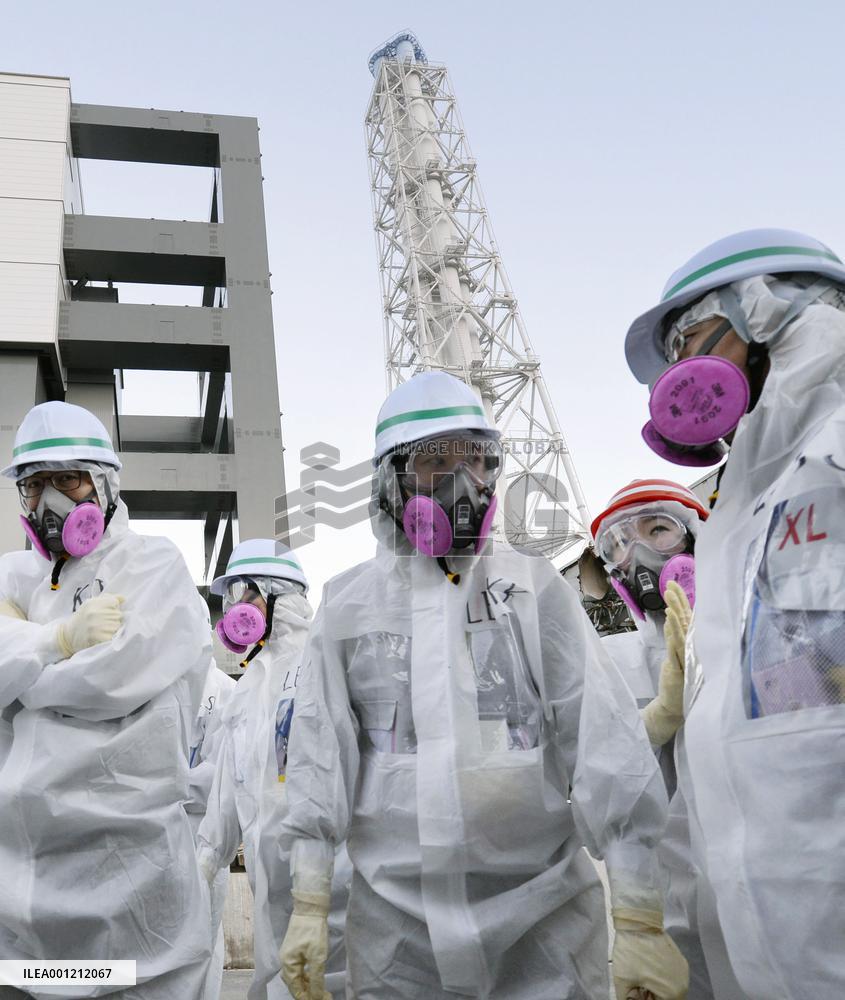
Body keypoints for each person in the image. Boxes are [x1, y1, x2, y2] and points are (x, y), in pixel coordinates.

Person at [278, 370, 688, 1000]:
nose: (463, 484)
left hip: (541, 926)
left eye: (476, 461)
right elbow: (318, 755)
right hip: (397, 934)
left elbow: (604, 744)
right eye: (436, 464)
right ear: (391, 482)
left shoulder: (532, 590)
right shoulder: (349, 606)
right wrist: (309, 902)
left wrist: (637, 915)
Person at [624, 228, 845, 998]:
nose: (678, 373)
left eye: (686, 342)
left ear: (761, 312)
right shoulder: (738, 515)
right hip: (771, 937)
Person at [0, 401, 212, 999]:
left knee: (133, 985)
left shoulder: (152, 563)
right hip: (22, 874)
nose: (49, 500)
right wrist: (59, 640)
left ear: (104, 485)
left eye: (68, 479)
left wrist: (21, 661)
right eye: (34, 484)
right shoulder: (14, 573)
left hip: (127, 867)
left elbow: (110, 681)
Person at [591, 478, 741, 1000]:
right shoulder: (613, 661)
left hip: (774, 888)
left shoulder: (751, 627)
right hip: (677, 911)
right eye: (618, 544)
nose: (637, 557)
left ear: (697, 539)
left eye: (658, 531)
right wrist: (655, 719)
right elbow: (599, 789)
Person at [196, 539, 350, 1000]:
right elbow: (228, 788)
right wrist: (203, 863)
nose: (234, 609)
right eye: (230, 598)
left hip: (331, 884)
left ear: (276, 594)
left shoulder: (323, 662)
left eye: (242, 594)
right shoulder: (247, 689)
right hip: (268, 887)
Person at [186, 609, 237, 1000]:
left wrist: (163, 784)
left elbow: (218, 778)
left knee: (203, 935)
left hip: (202, 834)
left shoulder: (223, 690)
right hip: (156, 831)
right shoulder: (151, 682)